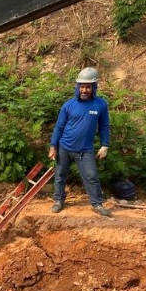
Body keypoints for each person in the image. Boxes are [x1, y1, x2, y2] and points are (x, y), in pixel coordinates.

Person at [49, 67, 112, 217]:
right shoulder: (68, 105)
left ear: (94, 87)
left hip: (85, 149)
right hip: (64, 147)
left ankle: (97, 204)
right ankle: (58, 200)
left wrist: (105, 145)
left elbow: (104, 126)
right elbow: (59, 126)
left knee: (91, 176)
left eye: (87, 87)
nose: (84, 90)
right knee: (60, 175)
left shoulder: (100, 105)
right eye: (81, 86)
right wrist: (53, 146)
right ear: (78, 87)